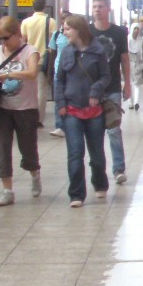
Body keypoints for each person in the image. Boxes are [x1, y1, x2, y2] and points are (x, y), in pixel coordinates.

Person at [0, 15, 41, 206]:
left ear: (17, 34)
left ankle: (34, 172)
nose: (3, 42)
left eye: (6, 37)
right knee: (2, 148)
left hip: (25, 108)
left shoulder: (30, 52)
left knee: (27, 148)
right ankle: (8, 190)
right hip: (2, 108)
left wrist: (8, 74)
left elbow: (32, 73)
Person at [54, 15, 111, 208]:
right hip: (72, 109)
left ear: (78, 29)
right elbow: (59, 79)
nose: (64, 32)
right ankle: (76, 194)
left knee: (96, 153)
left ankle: (100, 183)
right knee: (75, 153)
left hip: (94, 111)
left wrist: (96, 90)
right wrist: (60, 103)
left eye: (68, 29)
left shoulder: (98, 51)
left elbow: (105, 76)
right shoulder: (66, 52)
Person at [90, 0, 130, 185]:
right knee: (95, 131)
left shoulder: (119, 33)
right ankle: (99, 171)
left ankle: (118, 169)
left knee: (113, 130)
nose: (97, 10)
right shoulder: (87, 32)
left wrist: (127, 83)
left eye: (101, 6)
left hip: (113, 86)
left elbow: (124, 58)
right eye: (95, 7)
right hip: (91, 90)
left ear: (108, 9)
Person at [21, 0, 58, 125]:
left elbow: (23, 41)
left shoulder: (26, 22)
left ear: (33, 6)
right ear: (45, 6)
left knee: (29, 89)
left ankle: (29, 115)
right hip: (44, 59)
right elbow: (54, 41)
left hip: (29, 59)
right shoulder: (51, 21)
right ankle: (39, 119)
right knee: (41, 90)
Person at [47, 24, 70, 136]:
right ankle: (60, 125)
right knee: (58, 97)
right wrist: (49, 72)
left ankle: (70, 123)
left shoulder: (77, 36)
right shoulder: (56, 35)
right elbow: (52, 53)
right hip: (58, 70)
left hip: (71, 71)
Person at [127, 22, 143, 110]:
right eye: (134, 29)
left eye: (137, 29)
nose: (136, 31)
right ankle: (130, 102)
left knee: (137, 84)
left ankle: (136, 102)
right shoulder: (127, 39)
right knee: (129, 83)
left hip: (137, 64)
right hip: (127, 64)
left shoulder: (141, 41)